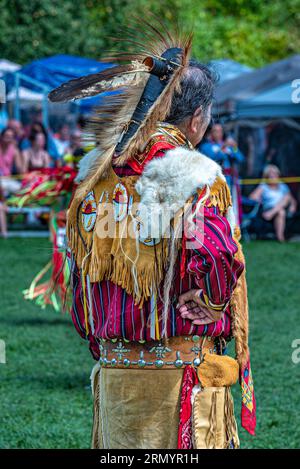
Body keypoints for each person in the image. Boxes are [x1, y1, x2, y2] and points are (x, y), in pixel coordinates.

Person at [49, 22, 256, 449]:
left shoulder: (95, 173)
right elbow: (218, 252)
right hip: (177, 381)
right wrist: (213, 300)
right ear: (197, 117)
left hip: (114, 373)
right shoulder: (194, 173)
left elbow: (77, 262)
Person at [199, 123, 244, 225]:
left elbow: (240, 158)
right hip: (215, 181)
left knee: (230, 205)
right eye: (215, 131)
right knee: (218, 204)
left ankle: (232, 227)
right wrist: (223, 148)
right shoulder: (207, 146)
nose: (218, 133)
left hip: (229, 180)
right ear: (210, 133)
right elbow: (211, 157)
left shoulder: (228, 145)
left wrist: (235, 147)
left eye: (220, 131)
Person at [249, 164, 297, 241]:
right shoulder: (263, 186)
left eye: (275, 175)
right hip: (268, 209)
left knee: (287, 197)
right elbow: (252, 197)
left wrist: (293, 206)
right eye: (271, 175)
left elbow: (292, 200)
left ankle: (272, 212)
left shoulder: (283, 186)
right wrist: (258, 199)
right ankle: (280, 238)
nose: (274, 177)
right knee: (281, 212)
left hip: (277, 210)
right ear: (267, 177)